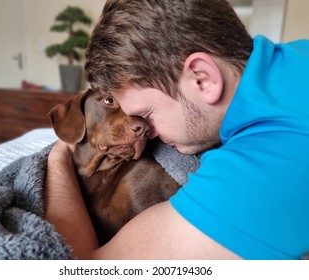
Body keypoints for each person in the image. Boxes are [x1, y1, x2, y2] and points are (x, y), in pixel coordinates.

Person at [44, 0, 309, 259]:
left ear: (202, 79)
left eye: (147, 114)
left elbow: (78, 263)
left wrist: (58, 156)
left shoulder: (262, 168)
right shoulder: (297, 55)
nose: (148, 131)